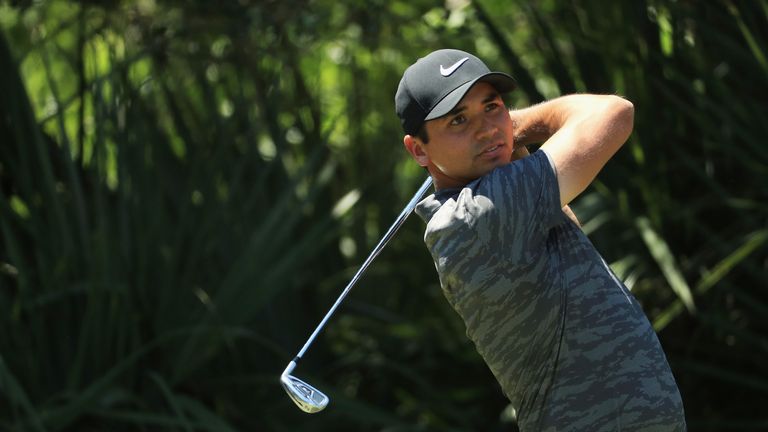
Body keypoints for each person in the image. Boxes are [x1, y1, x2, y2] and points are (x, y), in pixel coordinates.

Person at [395, 49, 686, 431]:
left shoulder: (491, 205)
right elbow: (615, 113)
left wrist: (507, 142)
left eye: (492, 106)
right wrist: (517, 124)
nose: (485, 129)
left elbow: (570, 236)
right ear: (418, 149)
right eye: (459, 120)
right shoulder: (478, 214)